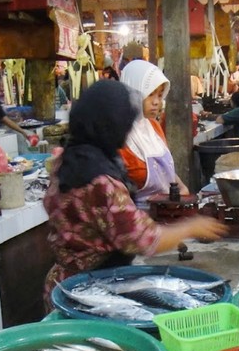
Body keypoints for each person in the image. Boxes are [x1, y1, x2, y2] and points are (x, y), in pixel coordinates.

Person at [43, 81, 227, 309]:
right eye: (124, 125)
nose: (127, 132)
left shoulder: (67, 160)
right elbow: (143, 240)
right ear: (110, 126)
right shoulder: (101, 182)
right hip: (88, 294)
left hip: (63, 284)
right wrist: (191, 227)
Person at [118, 59, 191, 209]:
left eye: (159, 95)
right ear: (133, 90)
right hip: (138, 220)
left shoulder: (153, 127)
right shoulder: (119, 136)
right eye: (150, 94)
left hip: (169, 213)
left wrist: (181, 189)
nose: (157, 102)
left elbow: (166, 172)